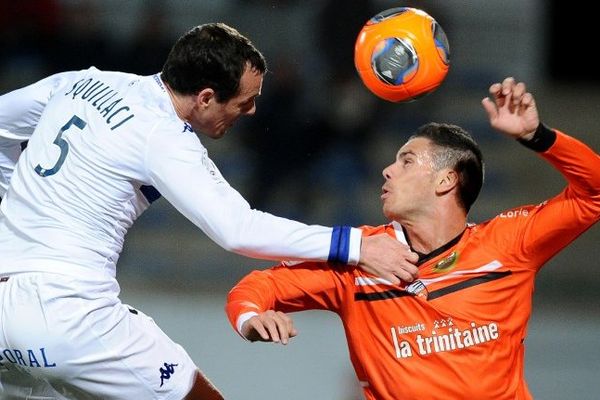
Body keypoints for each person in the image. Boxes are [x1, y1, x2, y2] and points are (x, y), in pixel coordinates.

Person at [0, 23, 419, 400]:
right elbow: (237, 229)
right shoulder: (162, 133)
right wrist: (356, 245)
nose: (252, 111)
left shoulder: (82, 82)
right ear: (204, 98)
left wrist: (15, 193)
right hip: (69, 310)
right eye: (245, 100)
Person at [226, 77, 600, 399]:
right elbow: (259, 286)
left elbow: (593, 193)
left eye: (407, 161)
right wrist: (249, 319)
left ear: (446, 180)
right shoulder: (363, 256)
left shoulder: (509, 245)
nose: (388, 170)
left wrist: (539, 137)